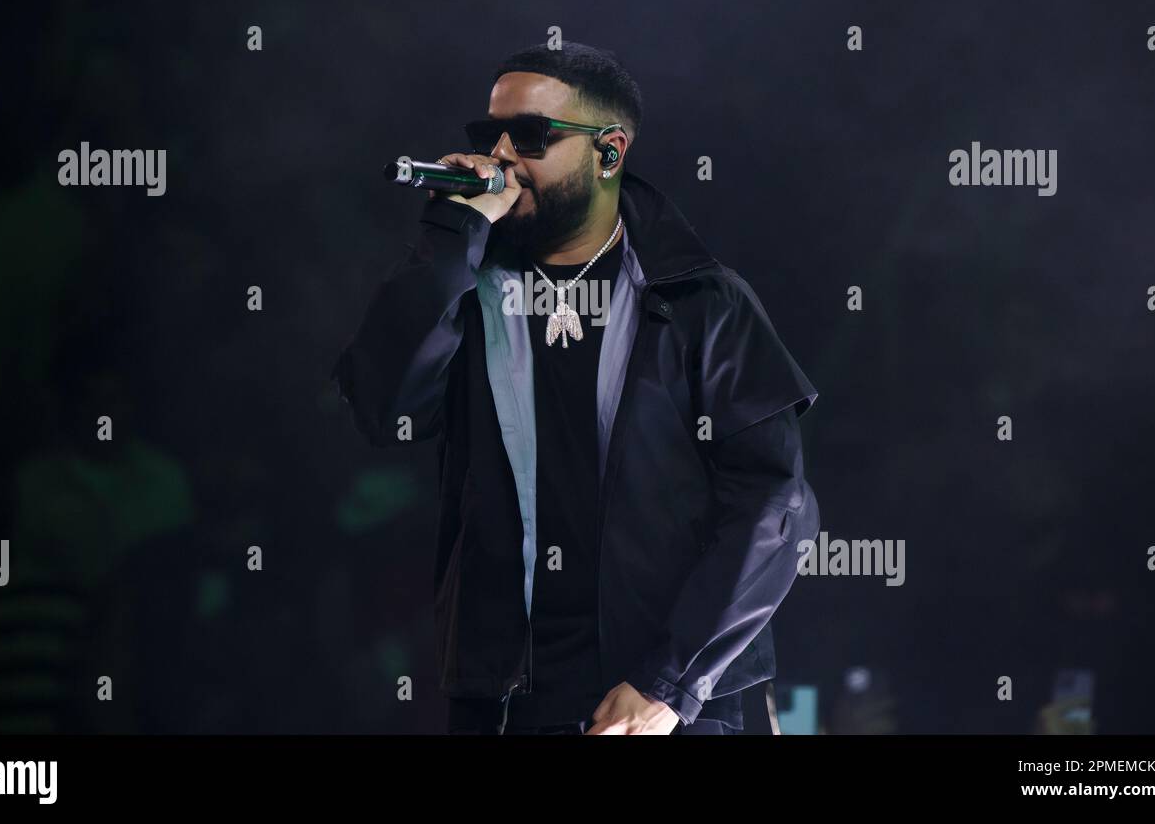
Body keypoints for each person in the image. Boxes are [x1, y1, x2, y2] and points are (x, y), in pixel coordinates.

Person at [334, 42, 820, 735]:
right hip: (504, 702)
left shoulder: (699, 301)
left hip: (669, 705)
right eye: (488, 135)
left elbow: (776, 505)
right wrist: (450, 236)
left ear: (610, 153)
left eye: (530, 136)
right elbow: (384, 408)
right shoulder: (466, 287)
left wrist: (668, 683)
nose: (501, 154)